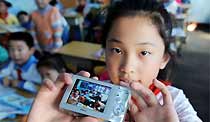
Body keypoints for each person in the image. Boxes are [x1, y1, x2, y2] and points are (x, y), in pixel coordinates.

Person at [27, 0, 202, 122]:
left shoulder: (173, 101)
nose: (127, 67)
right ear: (104, 51)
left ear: (163, 59)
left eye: (144, 52)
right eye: (117, 50)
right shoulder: (91, 97)